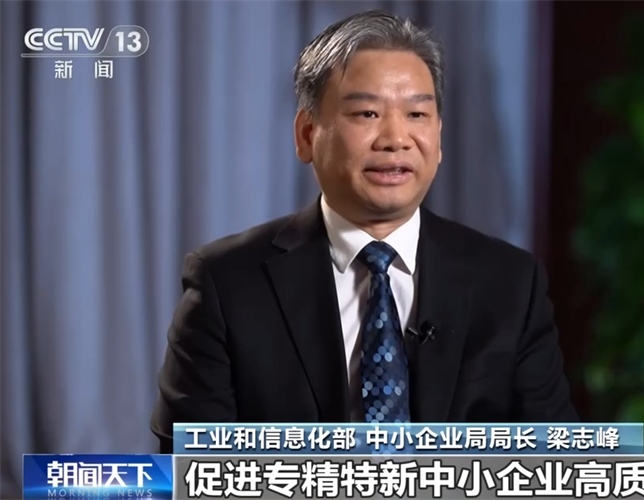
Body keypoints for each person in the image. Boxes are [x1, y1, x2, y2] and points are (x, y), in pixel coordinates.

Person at [150, 9, 577, 453]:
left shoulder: (510, 283)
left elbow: (555, 463)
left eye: (417, 114)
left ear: (438, 137)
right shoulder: (227, 283)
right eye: (367, 113)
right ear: (307, 134)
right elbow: (191, 467)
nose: (396, 138)